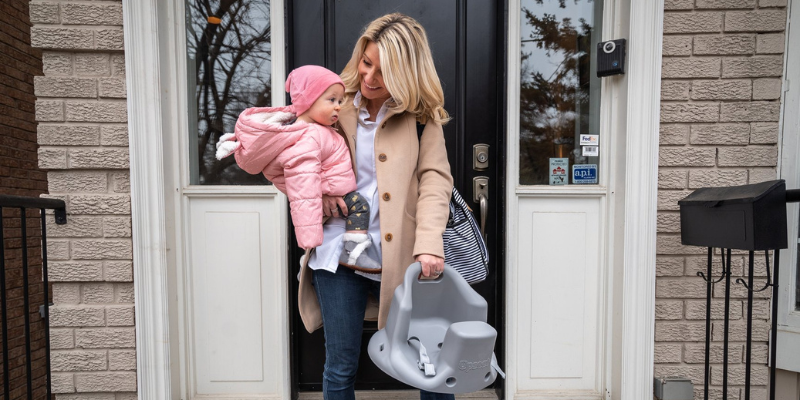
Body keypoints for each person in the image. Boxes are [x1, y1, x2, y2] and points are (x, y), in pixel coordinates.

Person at [296, 13, 455, 400]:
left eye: (383, 72)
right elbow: (288, 156)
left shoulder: (421, 120)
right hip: (338, 254)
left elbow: (436, 180)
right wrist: (318, 194)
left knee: (428, 360)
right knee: (340, 364)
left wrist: (430, 240)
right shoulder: (333, 105)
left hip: (402, 256)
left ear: (406, 73)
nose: (368, 77)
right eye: (366, 63)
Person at [216, 65, 382, 271]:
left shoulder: (319, 131)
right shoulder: (309, 137)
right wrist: (309, 238)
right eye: (331, 100)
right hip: (331, 195)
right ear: (308, 101)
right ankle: (353, 251)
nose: (338, 106)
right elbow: (304, 184)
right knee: (360, 206)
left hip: (332, 191)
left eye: (340, 101)